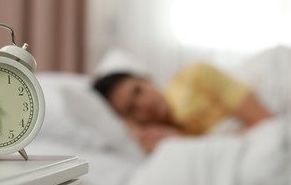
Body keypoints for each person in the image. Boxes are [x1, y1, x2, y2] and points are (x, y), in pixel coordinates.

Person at [93, 62, 274, 153]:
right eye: (131, 109)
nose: (144, 104)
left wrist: (186, 142)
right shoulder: (155, 140)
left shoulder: (196, 77)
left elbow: (266, 123)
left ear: (147, 80)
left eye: (138, 91)